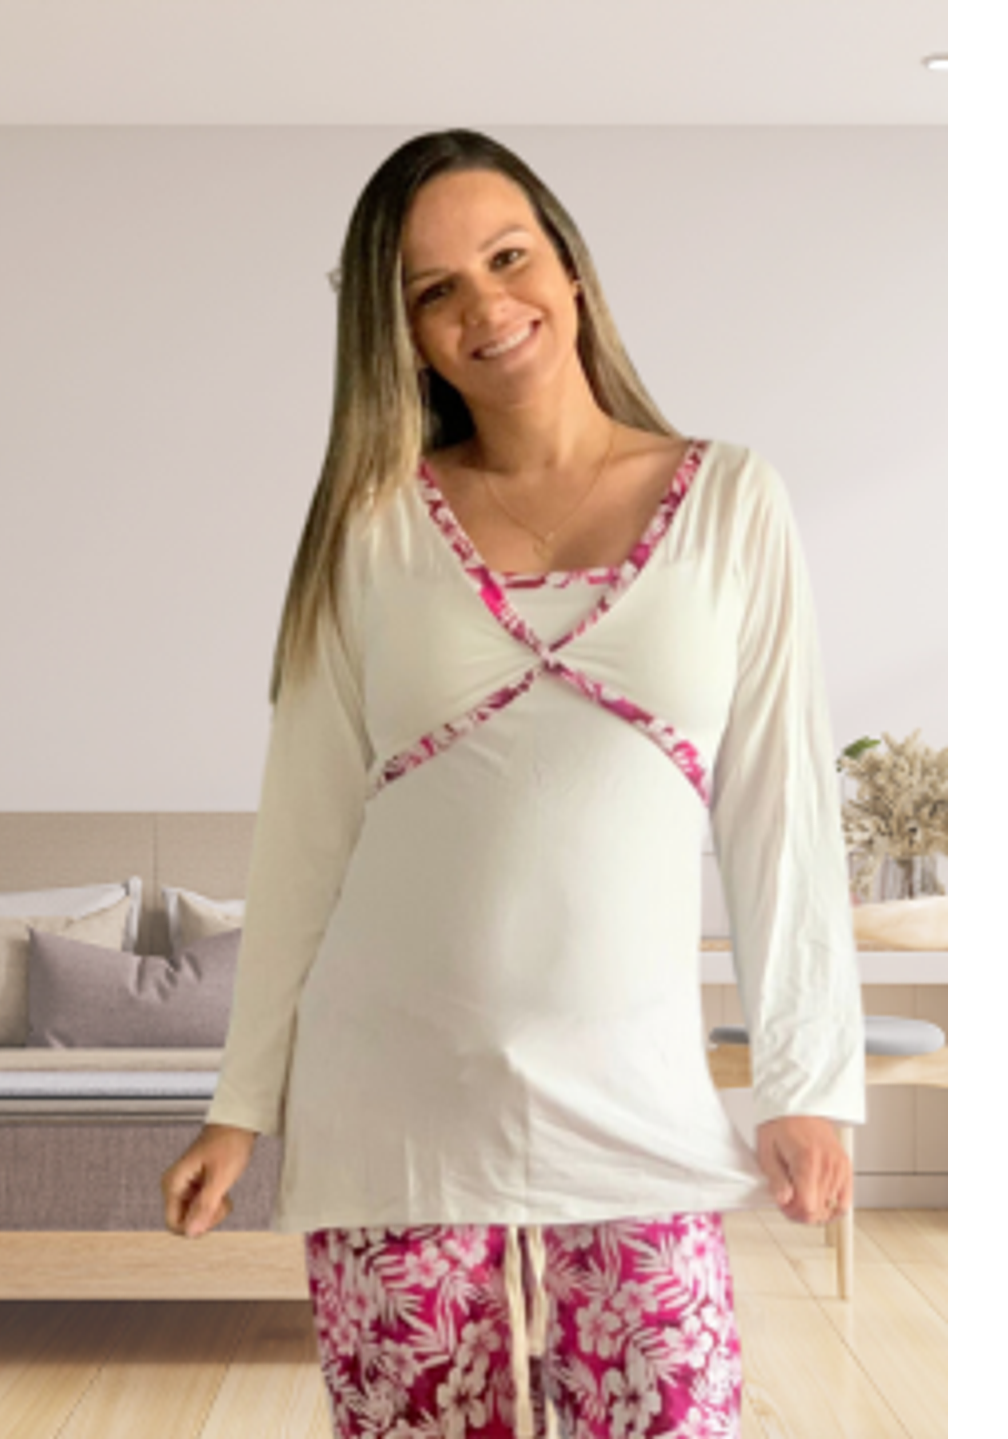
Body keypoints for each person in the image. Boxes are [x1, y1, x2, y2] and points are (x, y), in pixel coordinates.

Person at [163, 129, 867, 1439]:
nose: (485, 306)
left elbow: (780, 814)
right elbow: (304, 833)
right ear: (402, 336)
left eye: (506, 257)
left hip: (639, 1104)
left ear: (570, 266)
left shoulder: (731, 502)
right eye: (433, 289)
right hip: (394, 1112)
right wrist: (239, 1106)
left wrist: (804, 1081)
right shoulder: (369, 523)